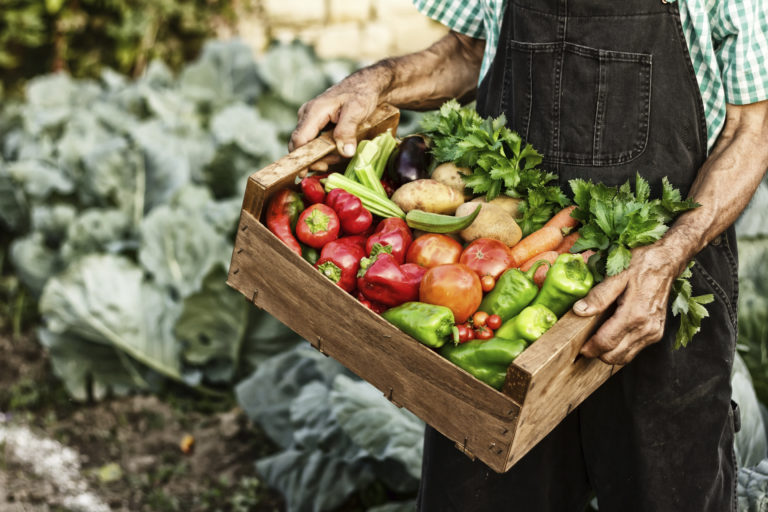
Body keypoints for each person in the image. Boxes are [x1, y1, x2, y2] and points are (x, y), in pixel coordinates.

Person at [290, 0, 768, 510]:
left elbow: (753, 125)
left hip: (657, 289)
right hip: (503, 287)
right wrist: (376, 83)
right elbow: (469, 51)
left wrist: (669, 255)